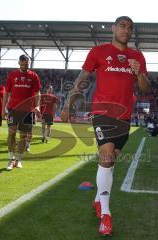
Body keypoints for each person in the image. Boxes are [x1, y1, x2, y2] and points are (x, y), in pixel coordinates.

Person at [61, 16, 150, 236]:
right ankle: (106, 215)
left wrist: (138, 72)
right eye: (122, 26)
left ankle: (97, 200)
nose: (126, 30)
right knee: (107, 155)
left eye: (130, 28)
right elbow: (83, 78)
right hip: (101, 112)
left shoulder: (137, 56)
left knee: (110, 160)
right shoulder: (99, 52)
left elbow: (145, 89)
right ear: (113, 28)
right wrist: (68, 104)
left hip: (124, 116)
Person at [2, 54, 41, 170]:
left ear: (29, 63)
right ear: (19, 63)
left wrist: (38, 106)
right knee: (11, 134)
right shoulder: (12, 75)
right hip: (13, 109)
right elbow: (7, 93)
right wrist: (3, 108)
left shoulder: (34, 76)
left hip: (28, 111)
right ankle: (11, 159)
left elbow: (37, 92)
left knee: (23, 137)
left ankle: (18, 160)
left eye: (26, 64)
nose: (24, 66)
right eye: (22, 64)